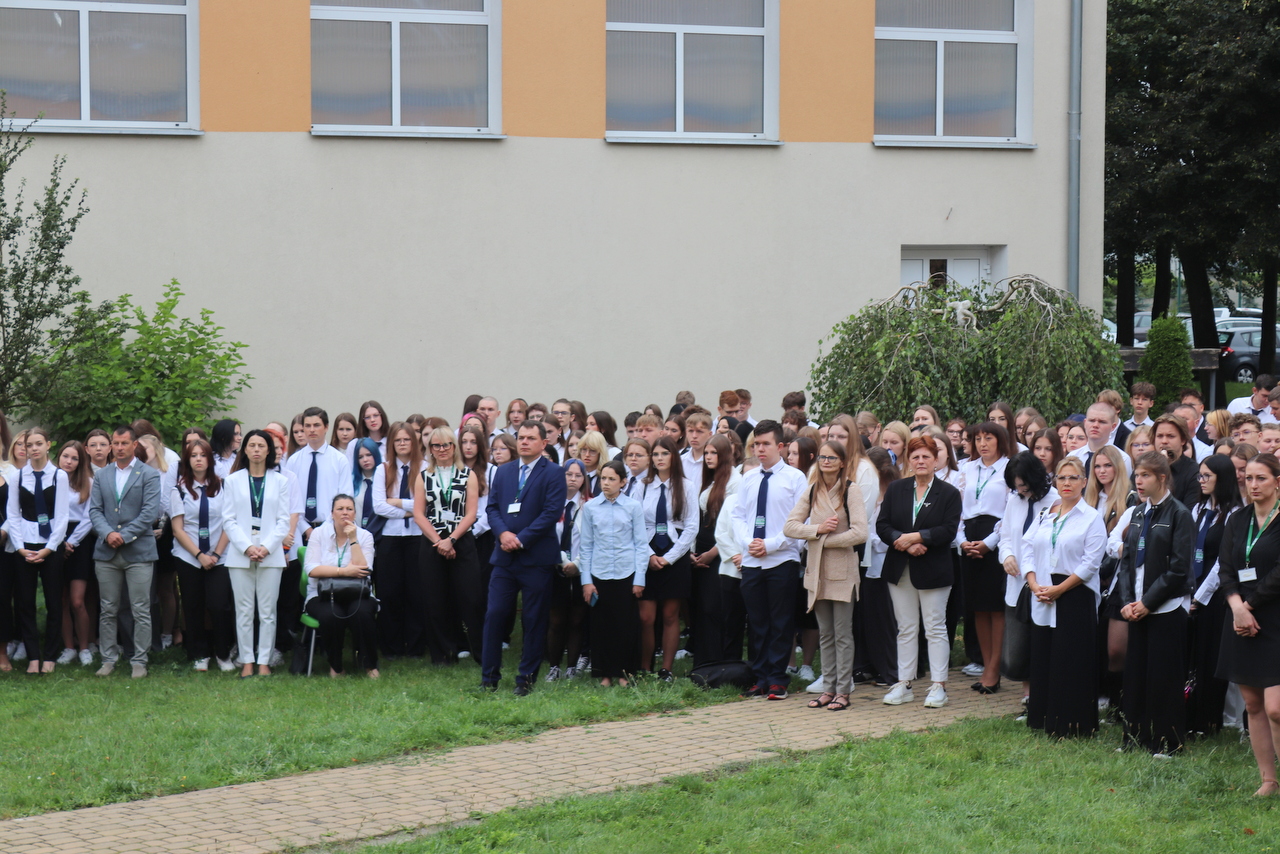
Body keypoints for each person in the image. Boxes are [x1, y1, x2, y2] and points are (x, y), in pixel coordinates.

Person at [1113, 451, 1194, 756]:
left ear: (1162, 478)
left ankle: (1168, 741)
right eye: (1137, 475)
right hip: (1136, 607)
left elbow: (1179, 568)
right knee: (1135, 675)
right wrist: (1127, 601)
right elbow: (1127, 561)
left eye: (1145, 475)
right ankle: (1134, 736)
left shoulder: (1179, 514)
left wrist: (1148, 602)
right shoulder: (1137, 512)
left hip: (1165, 607)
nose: (1139, 480)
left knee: (1164, 678)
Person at [1020, 456, 1107, 737]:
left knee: (1070, 659)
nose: (1066, 483)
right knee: (1044, 656)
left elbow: (1090, 563)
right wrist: (1033, 583)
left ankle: (1071, 723)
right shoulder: (1046, 513)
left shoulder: (1091, 517)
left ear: (1084, 482)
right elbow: (1027, 547)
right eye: (1061, 478)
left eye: (1073, 478)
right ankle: (1042, 717)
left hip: (1074, 594)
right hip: (1042, 591)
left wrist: (1060, 589)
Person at [481, 420, 567, 695]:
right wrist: (503, 534)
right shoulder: (503, 471)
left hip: (536, 558)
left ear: (544, 443)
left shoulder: (554, 473)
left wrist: (521, 539)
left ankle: (526, 680)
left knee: (533, 619)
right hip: (504, 559)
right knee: (495, 613)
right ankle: (488, 678)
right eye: (521, 438)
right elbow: (492, 508)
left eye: (531, 438)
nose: (525, 442)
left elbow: (551, 512)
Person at [876, 436, 962, 709]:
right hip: (900, 567)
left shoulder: (948, 493)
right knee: (906, 627)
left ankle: (939, 685)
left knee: (935, 627)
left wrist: (917, 537)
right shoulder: (896, 489)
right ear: (909, 461)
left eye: (926, 456)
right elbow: (883, 525)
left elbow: (948, 530)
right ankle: (904, 682)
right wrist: (903, 542)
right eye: (915, 457)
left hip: (934, 569)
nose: (921, 461)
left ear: (936, 460)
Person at [785, 441, 869, 712]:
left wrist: (825, 541)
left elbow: (860, 532)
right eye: (822, 457)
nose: (826, 461)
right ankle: (828, 689)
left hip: (843, 572)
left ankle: (843, 691)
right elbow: (790, 527)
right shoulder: (812, 490)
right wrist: (818, 530)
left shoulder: (851, 490)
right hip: (817, 572)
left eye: (832, 458)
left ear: (842, 462)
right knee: (825, 634)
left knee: (843, 634)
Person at [728, 420, 808, 700]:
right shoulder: (748, 478)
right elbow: (738, 515)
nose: (760, 449)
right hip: (752, 561)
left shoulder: (795, 478)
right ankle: (760, 677)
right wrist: (747, 542)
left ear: (780, 446)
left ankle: (777, 678)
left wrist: (771, 544)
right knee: (758, 622)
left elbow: (800, 520)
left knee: (780, 622)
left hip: (781, 560)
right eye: (756, 444)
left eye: (766, 444)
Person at [1216, 452, 1280, 795]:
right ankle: (1269, 780)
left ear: (1277, 482)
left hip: (1273, 616)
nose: (1253, 484)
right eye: (1249, 478)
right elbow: (1226, 568)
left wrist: (1249, 606)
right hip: (1240, 616)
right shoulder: (1238, 519)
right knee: (1253, 704)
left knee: (1276, 708)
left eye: (1261, 478)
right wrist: (1237, 607)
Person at [88, 425, 162, 678]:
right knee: (108, 608)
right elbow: (95, 510)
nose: (119, 448)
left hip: (139, 551)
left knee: (140, 609)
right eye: (116, 443)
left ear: (134, 445)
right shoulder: (102, 475)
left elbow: (150, 513)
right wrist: (108, 534)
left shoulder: (149, 474)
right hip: (106, 551)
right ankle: (108, 659)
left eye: (124, 443)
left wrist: (125, 535)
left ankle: (139, 660)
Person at [222, 429, 292, 678]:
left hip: (270, 553)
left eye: (261, 446)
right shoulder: (233, 481)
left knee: (267, 611)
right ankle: (246, 660)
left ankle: (264, 661)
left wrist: (266, 547)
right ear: (245, 450)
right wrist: (247, 547)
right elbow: (228, 519)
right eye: (251, 445)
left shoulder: (280, 481)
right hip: (241, 553)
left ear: (269, 450)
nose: (256, 450)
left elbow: (283, 521)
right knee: (243, 610)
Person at [414, 426, 483, 666]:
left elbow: (471, 513)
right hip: (432, 541)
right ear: (430, 449)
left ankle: (480, 652)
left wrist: (451, 539)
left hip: (461, 540)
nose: (442, 449)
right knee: (435, 600)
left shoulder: (468, 474)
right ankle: (443, 655)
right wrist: (439, 541)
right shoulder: (423, 476)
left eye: (446, 445)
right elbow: (419, 514)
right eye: (436, 445)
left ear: (454, 447)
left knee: (471, 598)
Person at [578, 459, 648, 685]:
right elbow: (586, 546)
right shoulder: (590, 507)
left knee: (626, 625)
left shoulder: (633, 507)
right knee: (602, 625)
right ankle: (605, 673)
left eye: (611, 479)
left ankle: (625, 672)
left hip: (626, 572)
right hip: (599, 572)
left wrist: (639, 578)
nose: (606, 483)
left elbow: (641, 544)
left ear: (623, 482)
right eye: (603, 478)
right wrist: (586, 581)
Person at [1185, 453, 1241, 735]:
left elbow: (1223, 561)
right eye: (1200, 475)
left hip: (1216, 594)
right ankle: (1189, 712)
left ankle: (1208, 720)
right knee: (1191, 654)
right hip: (1191, 586)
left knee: (1210, 655)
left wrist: (1200, 596)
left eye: (1208, 476)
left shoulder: (1234, 513)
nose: (1202, 480)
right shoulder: (1198, 509)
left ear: (1223, 478)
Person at [7, 429, 71, 674]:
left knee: (54, 601)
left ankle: (50, 656)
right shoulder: (18, 476)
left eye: (38, 444)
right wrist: (20, 548)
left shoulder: (59, 476)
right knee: (25, 602)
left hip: (50, 545)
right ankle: (33, 656)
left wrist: (49, 548)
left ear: (48, 445)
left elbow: (62, 515)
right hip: (25, 544)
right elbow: (13, 513)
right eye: (29, 445)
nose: (33, 449)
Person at [169, 438, 235, 672]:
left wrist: (215, 554)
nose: (198, 459)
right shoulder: (179, 490)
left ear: (210, 459)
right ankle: (199, 653)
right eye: (194, 455)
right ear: (187, 460)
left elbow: (229, 523)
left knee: (219, 605)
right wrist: (199, 555)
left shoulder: (224, 487)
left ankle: (223, 653)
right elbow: (178, 529)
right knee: (193, 605)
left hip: (220, 556)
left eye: (203, 455)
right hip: (189, 557)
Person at [636, 436, 698, 681]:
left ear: (674, 456)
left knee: (671, 615)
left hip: (675, 552)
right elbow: (634, 524)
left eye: (665, 453)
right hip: (647, 550)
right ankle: (644, 667)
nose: (659, 458)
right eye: (655, 454)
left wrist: (669, 558)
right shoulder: (642, 486)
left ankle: (666, 669)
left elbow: (692, 526)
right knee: (646, 617)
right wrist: (650, 555)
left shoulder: (686, 486)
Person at [997, 452, 1056, 711]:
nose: (1021, 491)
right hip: (1017, 582)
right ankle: (1028, 694)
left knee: (1042, 642)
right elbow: (1006, 536)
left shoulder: (1056, 501)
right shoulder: (1015, 501)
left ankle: (1044, 694)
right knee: (1018, 645)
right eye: (1016, 486)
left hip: (1044, 583)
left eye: (1024, 485)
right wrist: (1007, 556)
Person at [960, 422, 1013, 692]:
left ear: (1000, 440)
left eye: (988, 438)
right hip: (969, 537)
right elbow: (957, 508)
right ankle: (985, 664)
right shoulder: (966, 468)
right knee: (978, 607)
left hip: (995, 538)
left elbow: (1011, 511)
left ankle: (994, 668)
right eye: (978, 439)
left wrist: (990, 543)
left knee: (995, 606)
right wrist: (962, 540)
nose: (982, 444)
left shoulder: (1008, 468)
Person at [304, 494, 379, 678]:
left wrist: (353, 539)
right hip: (322, 594)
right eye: (340, 509)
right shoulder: (318, 534)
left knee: (362, 613)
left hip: (357, 593)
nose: (345, 513)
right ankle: (336, 666)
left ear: (355, 514)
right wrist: (344, 571)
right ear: (332, 513)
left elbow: (364, 569)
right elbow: (312, 569)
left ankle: (369, 665)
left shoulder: (365, 536)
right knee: (330, 615)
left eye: (349, 509)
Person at [372, 422, 425, 658]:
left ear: (414, 442)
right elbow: (379, 506)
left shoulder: (425, 468)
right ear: (391, 444)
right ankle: (391, 646)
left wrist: (397, 502)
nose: (402, 444)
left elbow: (427, 504)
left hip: (417, 537)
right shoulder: (382, 469)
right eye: (398, 440)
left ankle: (415, 647)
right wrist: (411, 511)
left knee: (416, 592)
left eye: (406, 439)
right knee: (389, 592)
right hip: (390, 538)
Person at [690, 434, 741, 664]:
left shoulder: (735, 481)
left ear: (725, 455)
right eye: (706, 453)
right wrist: (694, 552)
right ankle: (703, 661)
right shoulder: (710, 479)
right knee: (702, 607)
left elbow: (733, 526)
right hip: (702, 548)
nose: (708, 457)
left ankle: (719, 662)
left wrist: (712, 553)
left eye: (714, 453)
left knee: (715, 607)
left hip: (720, 552)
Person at [546, 458, 591, 681]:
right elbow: (547, 534)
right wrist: (563, 562)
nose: (573, 479)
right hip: (556, 567)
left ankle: (572, 667)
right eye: (568, 474)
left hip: (582, 569)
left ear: (584, 479)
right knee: (556, 620)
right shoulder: (551, 502)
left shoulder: (590, 506)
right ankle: (554, 666)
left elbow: (592, 539)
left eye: (578, 475)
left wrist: (578, 564)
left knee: (577, 620)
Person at [284, 407, 350, 545]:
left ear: (326, 427)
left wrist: (323, 528)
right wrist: (306, 529)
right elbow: (288, 500)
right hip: (299, 531)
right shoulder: (293, 461)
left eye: (316, 425)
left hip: (331, 530)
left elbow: (345, 498)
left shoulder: (339, 460)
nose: (312, 430)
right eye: (307, 426)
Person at [55, 441, 95, 667]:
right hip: (55, 540)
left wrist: (71, 542)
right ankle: (68, 647)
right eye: (65, 456)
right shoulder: (51, 481)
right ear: (59, 457)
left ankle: (85, 648)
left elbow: (89, 517)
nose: (69, 462)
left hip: (79, 541)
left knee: (77, 601)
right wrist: (59, 541)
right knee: (60, 599)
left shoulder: (88, 482)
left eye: (74, 458)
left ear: (81, 462)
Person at [1153, 414, 1200, 506]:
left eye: (1170, 436)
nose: (1164, 441)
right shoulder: (1144, 467)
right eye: (1160, 436)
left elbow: (1188, 511)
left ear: (1183, 440)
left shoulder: (1194, 472)